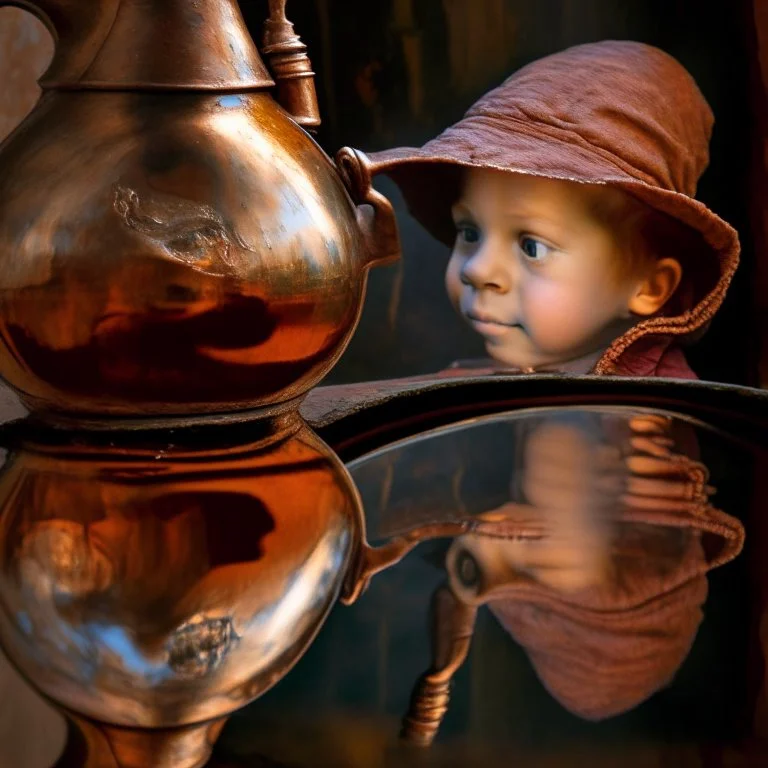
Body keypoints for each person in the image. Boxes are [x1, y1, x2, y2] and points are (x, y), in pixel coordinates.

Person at [365, 40, 740, 378]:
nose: (477, 270)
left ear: (649, 287)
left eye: (532, 246)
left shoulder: (613, 421)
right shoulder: (543, 379)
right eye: (469, 232)